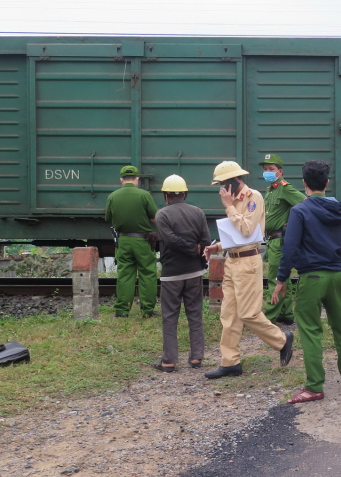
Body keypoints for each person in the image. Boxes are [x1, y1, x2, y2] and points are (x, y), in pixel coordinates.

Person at [271, 160, 341, 404]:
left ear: (304, 183)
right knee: (340, 326)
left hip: (311, 277)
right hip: (335, 275)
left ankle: (314, 387)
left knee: (310, 330)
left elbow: (290, 248)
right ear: (327, 183)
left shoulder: (299, 211)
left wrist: (281, 278)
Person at [202, 161, 293, 379]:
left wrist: (229, 206)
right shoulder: (234, 200)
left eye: (223, 183)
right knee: (229, 315)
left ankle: (282, 340)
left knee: (248, 313)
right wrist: (218, 246)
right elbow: (236, 236)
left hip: (247, 263)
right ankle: (230, 362)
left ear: (233, 181)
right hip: (232, 261)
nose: (221, 189)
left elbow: (246, 229)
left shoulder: (254, 198)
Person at [152, 175, 212, 372]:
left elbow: (170, 240)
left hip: (172, 273)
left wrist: (188, 247)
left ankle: (169, 361)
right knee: (195, 314)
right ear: (184, 194)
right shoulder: (198, 212)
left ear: (165, 195)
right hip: (195, 272)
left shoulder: (162, 215)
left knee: (170, 316)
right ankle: (196, 358)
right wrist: (195, 249)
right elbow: (206, 240)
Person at [105, 165, 158, 318]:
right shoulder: (144, 195)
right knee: (147, 273)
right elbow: (155, 217)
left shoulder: (113, 196)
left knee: (125, 274)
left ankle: (122, 311)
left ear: (121, 180)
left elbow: (108, 218)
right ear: (137, 179)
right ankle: (147, 310)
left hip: (123, 240)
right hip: (142, 241)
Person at [261, 154, 305, 325]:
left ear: (280, 171)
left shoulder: (285, 188)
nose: (267, 172)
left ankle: (268, 318)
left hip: (279, 240)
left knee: (274, 278)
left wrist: (293, 221)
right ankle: (286, 314)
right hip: (272, 239)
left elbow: (305, 203)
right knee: (283, 277)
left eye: (271, 169)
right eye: (265, 169)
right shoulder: (270, 189)